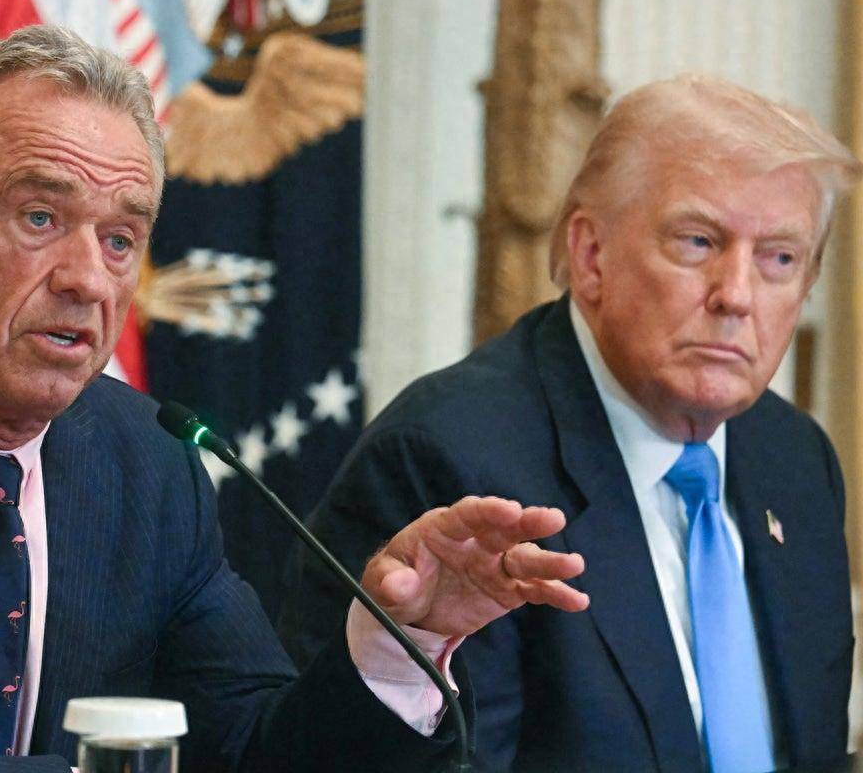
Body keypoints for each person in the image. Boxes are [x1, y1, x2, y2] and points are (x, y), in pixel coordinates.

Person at [0, 26, 588, 772]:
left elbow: (249, 753)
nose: (89, 281)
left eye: (119, 240)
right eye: (40, 218)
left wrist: (400, 644)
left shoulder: (147, 462)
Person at [280, 74, 862, 772]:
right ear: (591, 255)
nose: (736, 295)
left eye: (780, 258)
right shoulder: (449, 461)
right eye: (698, 241)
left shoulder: (795, 460)